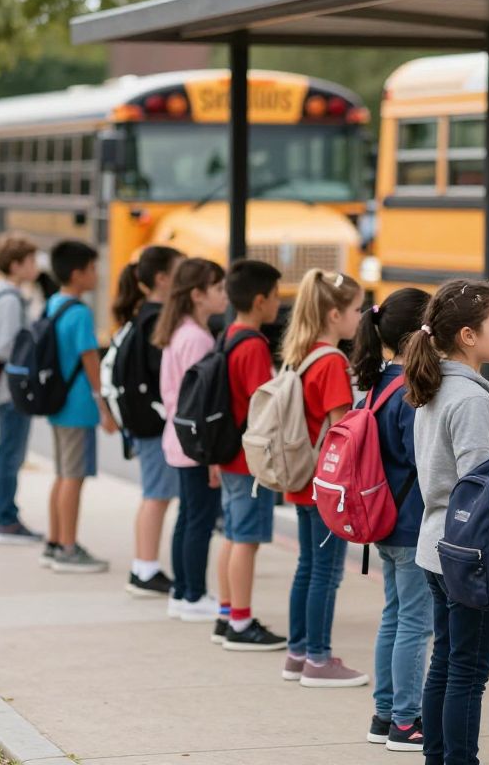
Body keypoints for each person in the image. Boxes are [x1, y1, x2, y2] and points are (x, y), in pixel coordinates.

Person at [404, 278, 489, 765]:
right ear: (468, 336)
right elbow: (479, 486)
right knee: (468, 669)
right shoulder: (469, 399)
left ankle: (438, 757)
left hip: (435, 546)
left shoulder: (437, 386)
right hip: (466, 554)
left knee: (446, 662)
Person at [352, 288, 434, 752]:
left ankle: (385, 713)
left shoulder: (378, 382)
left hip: (381, 519)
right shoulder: (411, 391)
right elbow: (419, 459)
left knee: (395, 616)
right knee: (414, 624)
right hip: (410, 522)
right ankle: (406, 720)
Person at [280, 269, 367, 688]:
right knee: (326, 574)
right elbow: (341, 432)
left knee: (306, 567)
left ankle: (297, 653)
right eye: (355, 309)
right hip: (326, 487)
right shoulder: (332, 362)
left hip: (301, 481)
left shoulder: (301, 353)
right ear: (334, 314)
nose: (360, 316)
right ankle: (318, 658)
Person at [213, 259, 287, 651]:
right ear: (260, 301)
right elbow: (266, 406)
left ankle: (227, 613)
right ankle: (241, 622)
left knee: (232, 535)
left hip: (228, 454)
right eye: (276, 296)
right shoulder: (254, 346)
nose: (279, 303)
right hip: (250, 460)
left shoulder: (230, 335)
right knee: (247, 540)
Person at [153, 257, 228, 621]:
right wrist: (213, 456)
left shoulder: (178, 331)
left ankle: (184, 591)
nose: (224, 294)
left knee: (188, 517)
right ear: (197, 295)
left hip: (177, 435)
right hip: (197, 442)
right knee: (199, 518)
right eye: (217, 288)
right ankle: (193, 593)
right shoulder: (197, 338)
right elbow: (203, 401)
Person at [41, 241, 118, 573]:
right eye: (92, 268)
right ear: (77, 274)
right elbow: (91, 362)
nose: (96, 274)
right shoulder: (81, 312)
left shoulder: (53, 304)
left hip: (57, 402)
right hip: (77, 406)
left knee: (62, 475)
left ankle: (56, 541)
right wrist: (104, 407)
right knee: (74, 477)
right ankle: (68, 549)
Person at [112, 246, 184, 596]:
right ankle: (145, 568)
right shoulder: (158, 318)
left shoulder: (142, 314)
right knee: (156, 495)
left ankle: (144, 565)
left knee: (153, 494)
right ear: (162, 278)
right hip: (155, 422)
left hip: (142, 420)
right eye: (180, 272)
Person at [0, 234, 43, 543]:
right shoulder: (8, 298)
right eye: (31, 261)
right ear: (15, 265)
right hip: (11, 390)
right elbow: (3, 346)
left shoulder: (9, 294)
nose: (35, 267)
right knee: (10, 453)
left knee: (9, 452)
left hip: (9, 388)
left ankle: (6, 515)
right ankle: (6, 519)